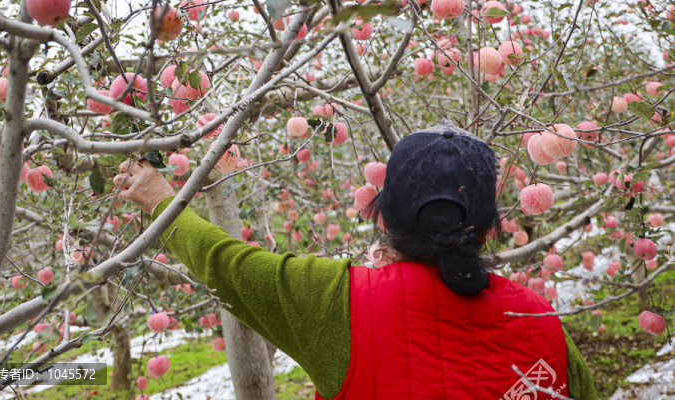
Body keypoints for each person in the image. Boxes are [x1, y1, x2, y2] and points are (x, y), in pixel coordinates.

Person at [113, 119, 598, 399]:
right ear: (493, 226)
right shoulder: (542, 324)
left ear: (382, 218)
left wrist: (161, 200)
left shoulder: (338, 303)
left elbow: (225, 262)